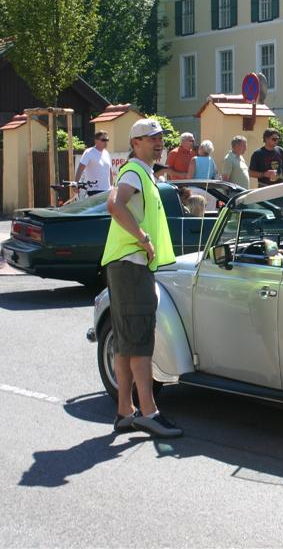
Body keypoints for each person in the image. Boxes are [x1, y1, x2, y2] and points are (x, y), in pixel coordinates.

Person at [101, 118, 182, 439]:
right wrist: (143, 238)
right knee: (140, 342)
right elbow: (114, 204)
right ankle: (148, 412)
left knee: (125, 342)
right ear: (136, 143)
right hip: (131, 265)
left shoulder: (142, 173)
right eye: (151, 138)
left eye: (160, 137)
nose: (158, 142)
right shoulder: (134, 171)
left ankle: (125, 411)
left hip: (126, 265)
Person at [75, 130, 115, 196]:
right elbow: (80, 168)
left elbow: (110, 172)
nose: (106, 142)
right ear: (96, 141)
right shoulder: (89, 152)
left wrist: (112, 187)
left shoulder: (106, 153)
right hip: (94, 190)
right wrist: (75, 184)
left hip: (107, 190)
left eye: (107, 140)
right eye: (103, 140)